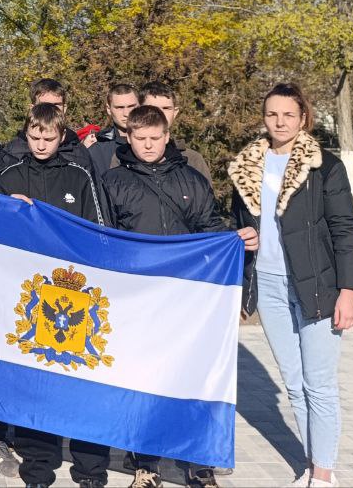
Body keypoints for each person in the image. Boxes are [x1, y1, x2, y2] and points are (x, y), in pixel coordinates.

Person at [101, 106, 257, 488]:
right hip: (139, 300)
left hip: (189, 301)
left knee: (195, 378)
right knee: (144, 380)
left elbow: (211, 230)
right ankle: (145, 463)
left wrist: (238, 241)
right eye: (141, 138)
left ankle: (198, 464)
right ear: (128, 137)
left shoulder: (192, 179)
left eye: (155, 137)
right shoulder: (112, 181)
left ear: (167, 136)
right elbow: (102, 237)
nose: (149, 144)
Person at [226, 84, 353, 488]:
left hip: (318, 284)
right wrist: (242, 236)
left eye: (288, 114)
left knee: (318, 382)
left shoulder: (325, 167)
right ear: (263, 117)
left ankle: (323, 474)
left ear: (303, 117)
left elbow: (345, 229)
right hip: (268, 284)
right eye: (272, 114)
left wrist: (349, 291)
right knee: (293, 382)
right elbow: (237, 221)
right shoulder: (247, 165)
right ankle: (311, 461)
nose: (280, 121)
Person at [0, 103, 109, 488]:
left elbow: (100, 233)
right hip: (29, 299)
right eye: (35, 137)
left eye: (49, 137)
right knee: (35, 386)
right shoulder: (8, 176)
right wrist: (10, 212)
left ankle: (90, 471)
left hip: (74, 296)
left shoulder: (79, 175)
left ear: (62, 137)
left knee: (80, 385)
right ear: (26, 134)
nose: (41, 144)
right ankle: (37, 470)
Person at [136, 82, 211, 181]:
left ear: (175, 113)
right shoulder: (124, 158)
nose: (160, 114)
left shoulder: (192, 160)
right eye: (153, 108)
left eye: (166, 108)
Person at [88, 83, 139, 174]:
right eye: (119, 108)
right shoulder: (97, 151)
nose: (126, 113)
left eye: (131, 107)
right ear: (109, 109)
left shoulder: (154, 143)